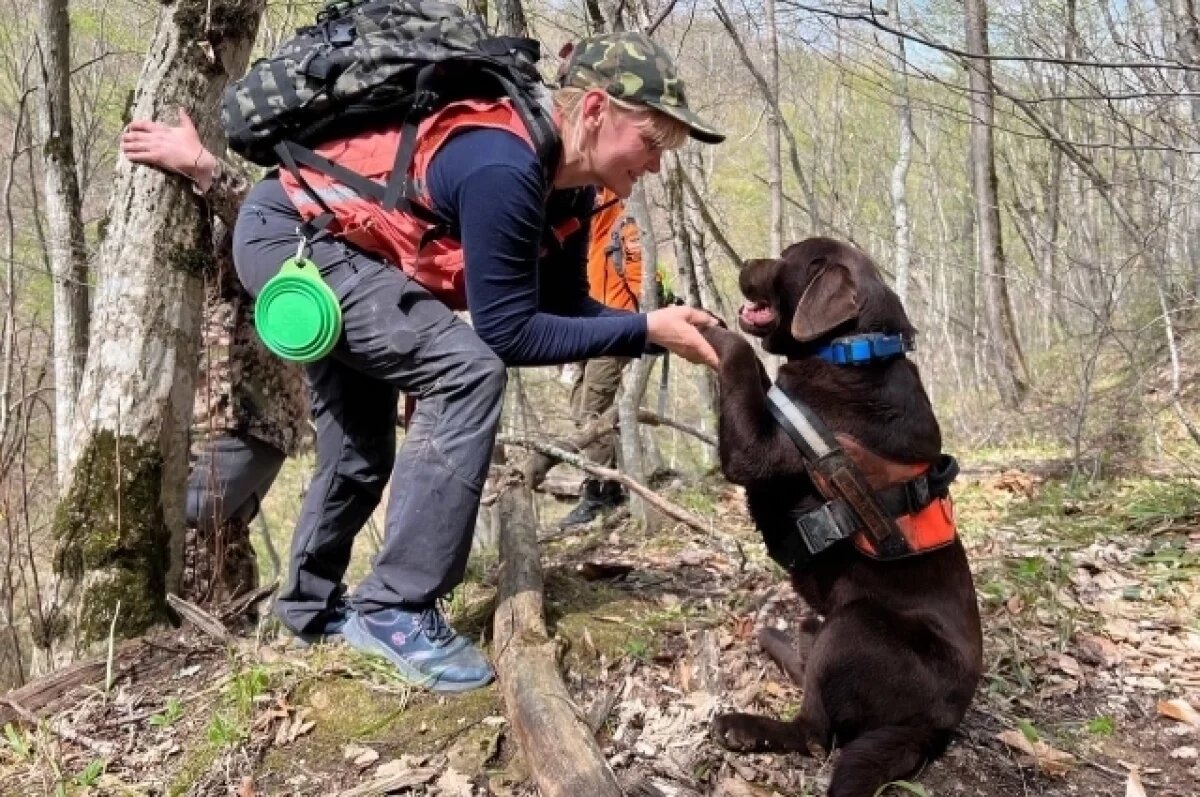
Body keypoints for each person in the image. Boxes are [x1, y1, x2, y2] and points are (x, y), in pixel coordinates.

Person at [231, 30, 724, 692]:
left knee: (361, 446)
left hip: (345, 250)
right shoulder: (503, 163)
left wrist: (659, 328)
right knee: (464, 369)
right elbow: (508, 334)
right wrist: (647, 329)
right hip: (294, 237)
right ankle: (396, 607)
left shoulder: (570, 188)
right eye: (652, 143)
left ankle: (308, 612)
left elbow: (568, 307)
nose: (657, 166)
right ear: (598, 110)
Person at [120, 112, 309, 605]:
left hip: (247, 416)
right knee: (217, 538)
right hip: (221, 419)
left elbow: (261, 217)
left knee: (181, 514)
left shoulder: (269, 209)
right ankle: (232, 645)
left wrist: (202, 165)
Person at [558, 187, 649, 527]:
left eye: (595, 193)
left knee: (591, 410)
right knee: (579, 408)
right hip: (583, 330)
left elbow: (643, 281)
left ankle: (596, 493)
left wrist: (645, 325)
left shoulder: (623, 227)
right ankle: (608, 484)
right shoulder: (579, 228)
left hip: (614, 331)